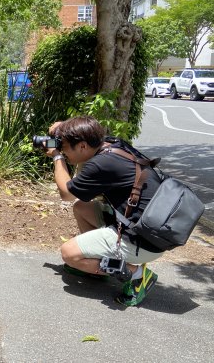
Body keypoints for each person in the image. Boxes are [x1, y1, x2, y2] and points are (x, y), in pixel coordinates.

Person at [44, 116, 163, 306]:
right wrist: (64, 129)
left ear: (82, 146)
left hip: (141, 241)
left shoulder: (100, 164)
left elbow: (66, 193)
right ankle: (96, 264)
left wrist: (57, 157)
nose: (63, 151)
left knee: (69, 253)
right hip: (148, 229)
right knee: (82, 207)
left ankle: (137, 274)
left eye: (64, 147)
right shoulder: (113, 144)